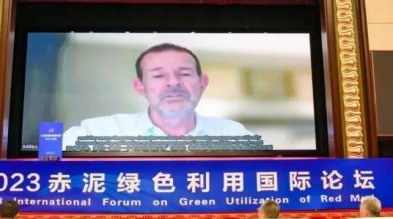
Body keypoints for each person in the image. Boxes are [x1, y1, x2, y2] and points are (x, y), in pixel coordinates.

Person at [62, 43, 252, 149]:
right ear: (140, 87)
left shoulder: (235, 137)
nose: (173, 82)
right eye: (159, 75)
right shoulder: (96, 133)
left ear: (203, 82)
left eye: (184, 73)